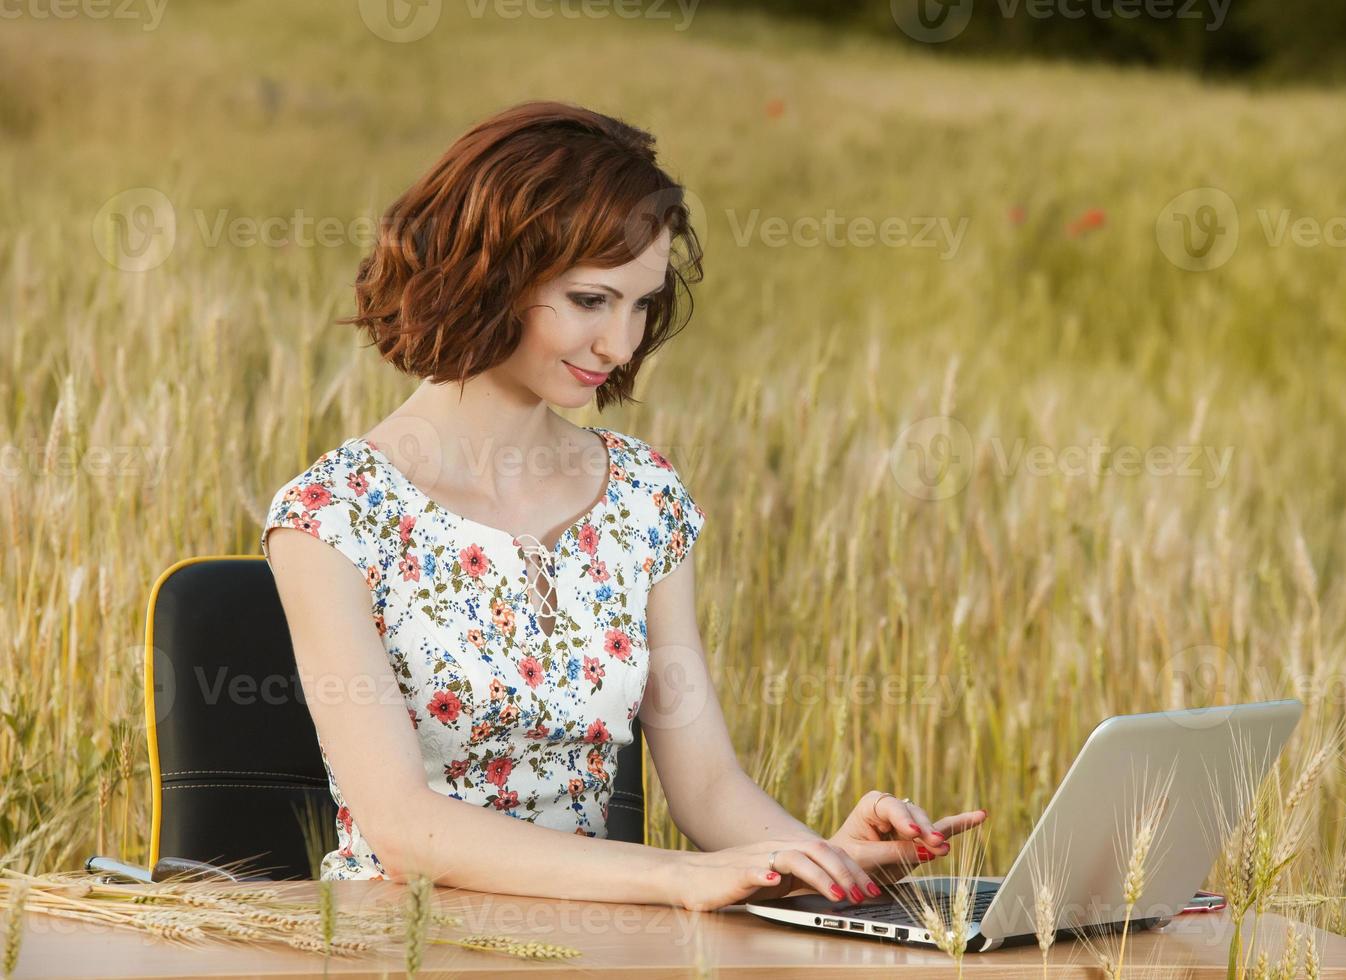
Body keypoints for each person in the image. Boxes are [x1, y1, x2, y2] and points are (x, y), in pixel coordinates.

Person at [260, 100, 986, 911]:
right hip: (401, 946)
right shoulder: (336, 514)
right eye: (591, 301)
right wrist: (676, 877)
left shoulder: (642, 496)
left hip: (599, 940)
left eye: (641, 305)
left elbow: (707, 786)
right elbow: (401, 828)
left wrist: (816, 859)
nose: (622, 345)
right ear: (489, 274)